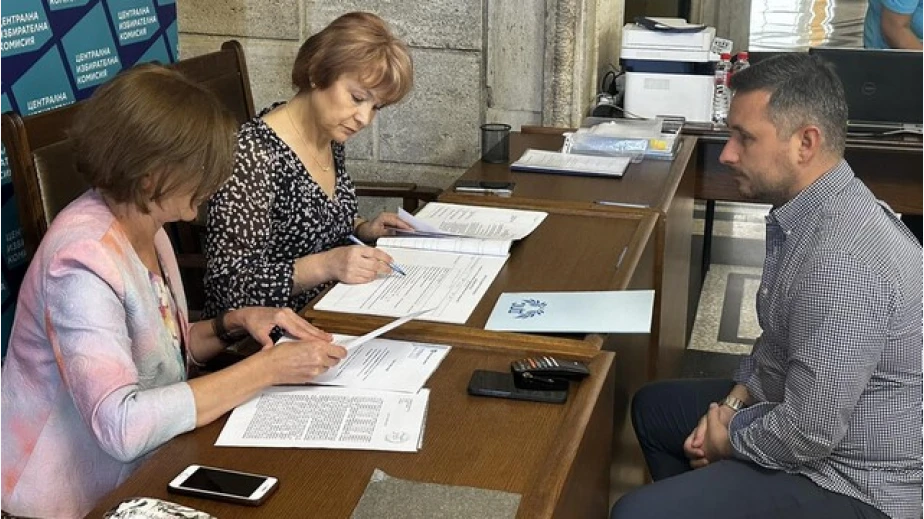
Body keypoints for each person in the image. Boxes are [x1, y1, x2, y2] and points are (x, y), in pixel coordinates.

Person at [0, 65, 347, 518]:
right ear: (149, 174)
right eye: (202, 167)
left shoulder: (149, 223)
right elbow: (120, 425)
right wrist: (266, 369)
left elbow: (161, 353)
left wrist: (233, 323)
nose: (216, 180)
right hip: (72, 497)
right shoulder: (79, 262)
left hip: (150, 464)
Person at [611, 54, 922, 519]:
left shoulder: (842, 261)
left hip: (854, 481)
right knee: (655, 410)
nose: (727, 154)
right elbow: (778, 344)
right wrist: (733, 402)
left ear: (805, 143)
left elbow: (810, 433)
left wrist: (727, 439)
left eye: (745, 137)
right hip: (806, 424)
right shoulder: (816, 209)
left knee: (636, 513)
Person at [203, 11, 415, 318]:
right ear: (317, 72)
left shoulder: (328, 133)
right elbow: (229, 288)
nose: (364, 118)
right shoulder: (252, 155)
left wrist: (363, 228)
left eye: (376, 107)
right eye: (357, 98)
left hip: (331, 306)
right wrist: (327, 265)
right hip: (271, 330)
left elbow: (316, 222)